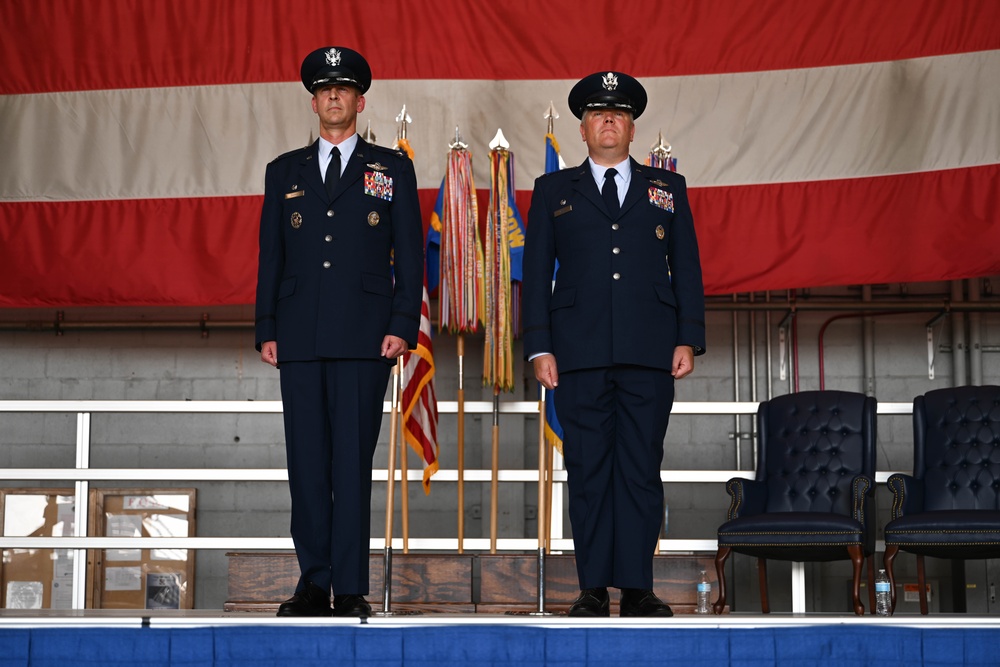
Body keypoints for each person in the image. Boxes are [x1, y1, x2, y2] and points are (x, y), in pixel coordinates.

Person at [523, 71, 706, 617]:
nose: (609, 121)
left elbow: (688, 268)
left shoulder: (666, 188)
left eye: (619, 114)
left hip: (650, 350)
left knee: (640, 468)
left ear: (632, 128)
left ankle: (638, 586)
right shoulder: (554, 190)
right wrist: (539, 347)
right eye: (599, 114)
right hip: (576, 353)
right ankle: (594, 587)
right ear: (582, 129)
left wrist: (688, 338)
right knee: (588, 471)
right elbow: (535, 276)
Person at [254, 46, 423, 617]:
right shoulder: (285, 172)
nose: (333, 97)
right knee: (306, 465)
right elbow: (270, 259)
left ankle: (349, 585)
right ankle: (313, 581)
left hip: (365, 337)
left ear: (359, 100)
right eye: (325, 89)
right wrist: (266, 328)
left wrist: (403, 325)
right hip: (299, 337)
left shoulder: (391, 168)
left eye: (344, 89)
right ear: (313, 101)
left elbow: (409, 256)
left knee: (350, 465)